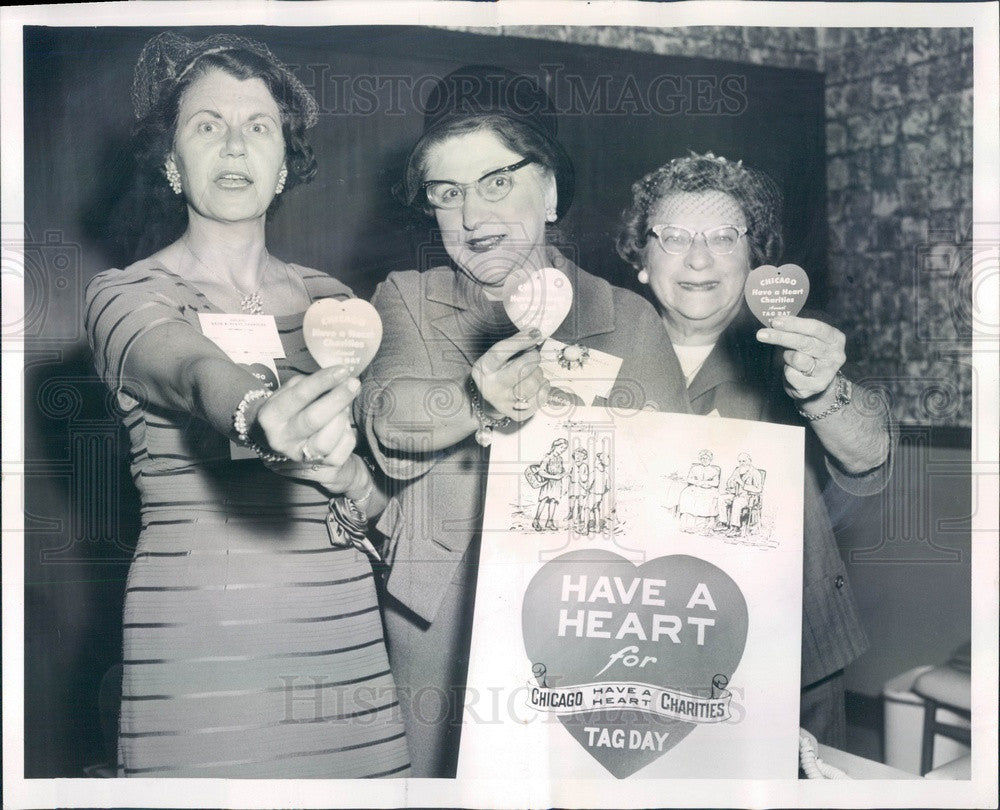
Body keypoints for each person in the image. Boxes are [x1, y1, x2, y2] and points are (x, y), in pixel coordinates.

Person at [84, 33, 408, 778]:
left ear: (287, 161)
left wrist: (358, 485)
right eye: (206, 125)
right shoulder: (126, 295)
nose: (234, 144)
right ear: (171, 160)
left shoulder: (338, 304)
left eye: (258, 126)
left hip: (346, 648)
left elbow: (385, 492)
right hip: (204, 645)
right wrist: (258, 410)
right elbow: (190, 370)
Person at [357, 65, 679, 776]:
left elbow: (680, 481)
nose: (472, 218)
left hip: (596, 622)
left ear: (552, 191)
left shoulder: (627, 316)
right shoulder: (405, 297)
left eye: (496, 182)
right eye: (448, 193)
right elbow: (391, 414)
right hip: (441, 625)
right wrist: (475, 403)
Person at [616, 152, 892, 747]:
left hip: (786, 645)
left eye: (723, 236)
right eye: (673, 237)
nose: (698, 258)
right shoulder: (600, 347)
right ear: (641, 259)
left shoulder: (795, 342)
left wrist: (822, 391)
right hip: (636, 642)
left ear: (754, 258)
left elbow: (868, 452)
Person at [717, 451, 765, 536]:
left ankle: (735, 528)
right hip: (735, 494)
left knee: (737, 502)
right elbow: (729, 482)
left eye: (744, 461)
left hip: (748, 497)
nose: (741, 463)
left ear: (749, 461)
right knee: (721, 498)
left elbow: (758, 489)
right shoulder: (737, 470)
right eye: (740, 461)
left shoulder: (755, 472)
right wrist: (731, 483)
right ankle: (723, 523)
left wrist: (742, 484)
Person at [677, 449, 722, 533]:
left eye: (707, 458)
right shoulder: (695, 468)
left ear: (710, 459)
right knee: (685, 494)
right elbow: (689, 479)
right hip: (696, 487)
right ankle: (688, 523)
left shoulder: (714, 470)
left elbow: (716, 483)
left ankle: (708, 524)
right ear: (700, 459)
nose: (704, 460)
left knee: (711, 497)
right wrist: (698, 483)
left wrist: (706, 483)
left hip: (709, 488)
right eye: (703, 458)